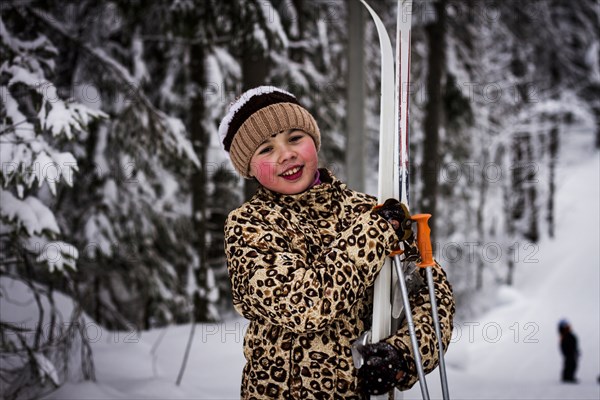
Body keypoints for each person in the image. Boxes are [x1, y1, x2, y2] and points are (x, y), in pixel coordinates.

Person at [220, 86, 455, 399]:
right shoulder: (249, 224)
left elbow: (431, 291)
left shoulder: (368, 212)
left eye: (294, 138)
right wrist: (374, 234)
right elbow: (304, 305)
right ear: (249, 168)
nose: (285, 154)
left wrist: (403, 356)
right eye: (265, 149)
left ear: (314, 140)